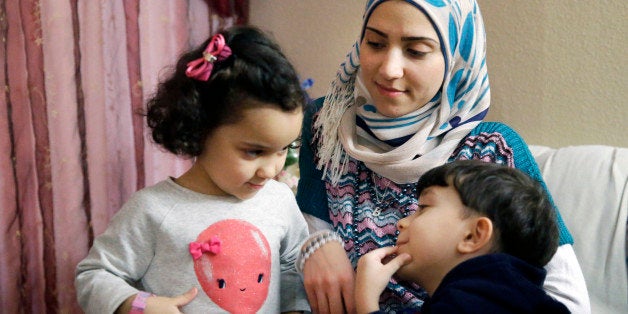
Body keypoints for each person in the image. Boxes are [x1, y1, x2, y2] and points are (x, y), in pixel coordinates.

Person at [295, 0, 589, 313]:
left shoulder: (494, 147)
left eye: (416, 51)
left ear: (456, 57)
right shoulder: (327, 123)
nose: (388, 69)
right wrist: (316, 245)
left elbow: (569, 300)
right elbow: (303, 233)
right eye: (376, 43)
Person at [75, 25, 310, 313]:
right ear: (200, 130)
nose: (271, 170)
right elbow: (94, 276)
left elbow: (293, 266)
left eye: (284, 149)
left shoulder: (280, 201)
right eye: (254, 151)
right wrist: (139, 305)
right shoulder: (152, 210)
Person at [354, 160, 570, 313]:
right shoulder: (510, 295)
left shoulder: (470, 301)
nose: (402, 222)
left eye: (423, 207)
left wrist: (366, 300)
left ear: (473, 236)